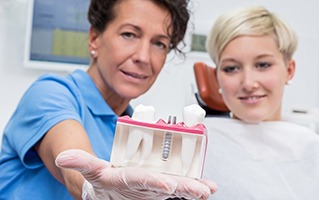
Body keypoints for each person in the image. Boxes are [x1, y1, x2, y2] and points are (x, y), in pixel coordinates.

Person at [0, 0, 217, 199]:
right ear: (94, 39)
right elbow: (74, 170)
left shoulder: (135, 129)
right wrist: (95, 189)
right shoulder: (50, 94)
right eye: (129, 34)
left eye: (159, 43)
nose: (143, 56)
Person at [202, 5, 319, 199]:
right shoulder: (195, 146)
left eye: (263, 65)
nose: (248, 83)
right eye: (231, 68)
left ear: (289, 70)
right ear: (217, 77)